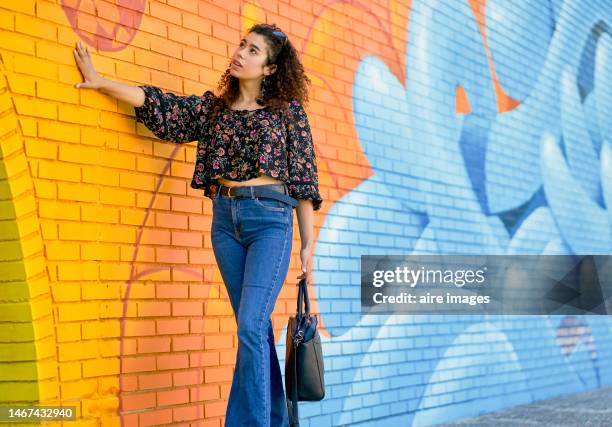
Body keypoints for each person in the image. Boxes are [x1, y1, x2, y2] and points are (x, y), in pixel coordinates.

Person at [73, 22, 323, 427]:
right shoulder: (215, 111)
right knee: (253, 331)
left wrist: (308, 244)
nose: (241, 53)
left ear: (271, 69)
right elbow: (160, 105)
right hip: (225, 222)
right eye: (243, 45)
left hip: (270, 222)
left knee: (250, 324)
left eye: (254, 51)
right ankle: (276, 419)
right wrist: (101, 82)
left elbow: (304, 180)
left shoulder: (288, 114)